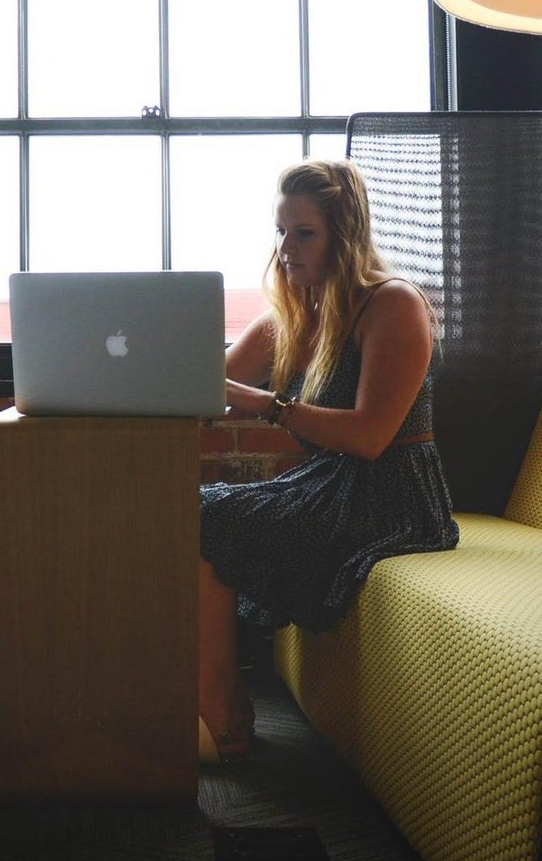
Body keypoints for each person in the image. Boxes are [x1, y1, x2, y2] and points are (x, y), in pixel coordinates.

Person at [197, 159, 460, 762]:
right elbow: (205, 386)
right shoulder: (292, 316)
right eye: (281, 232)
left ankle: (222, 713)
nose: (286, 248)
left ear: (345, 235)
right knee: (195, 510)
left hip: (393, 494)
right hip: (328, 484)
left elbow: (371, 437)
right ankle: (217, 701)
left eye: (303, 233)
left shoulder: (392, 304)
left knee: (206, 518)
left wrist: (269, 406)